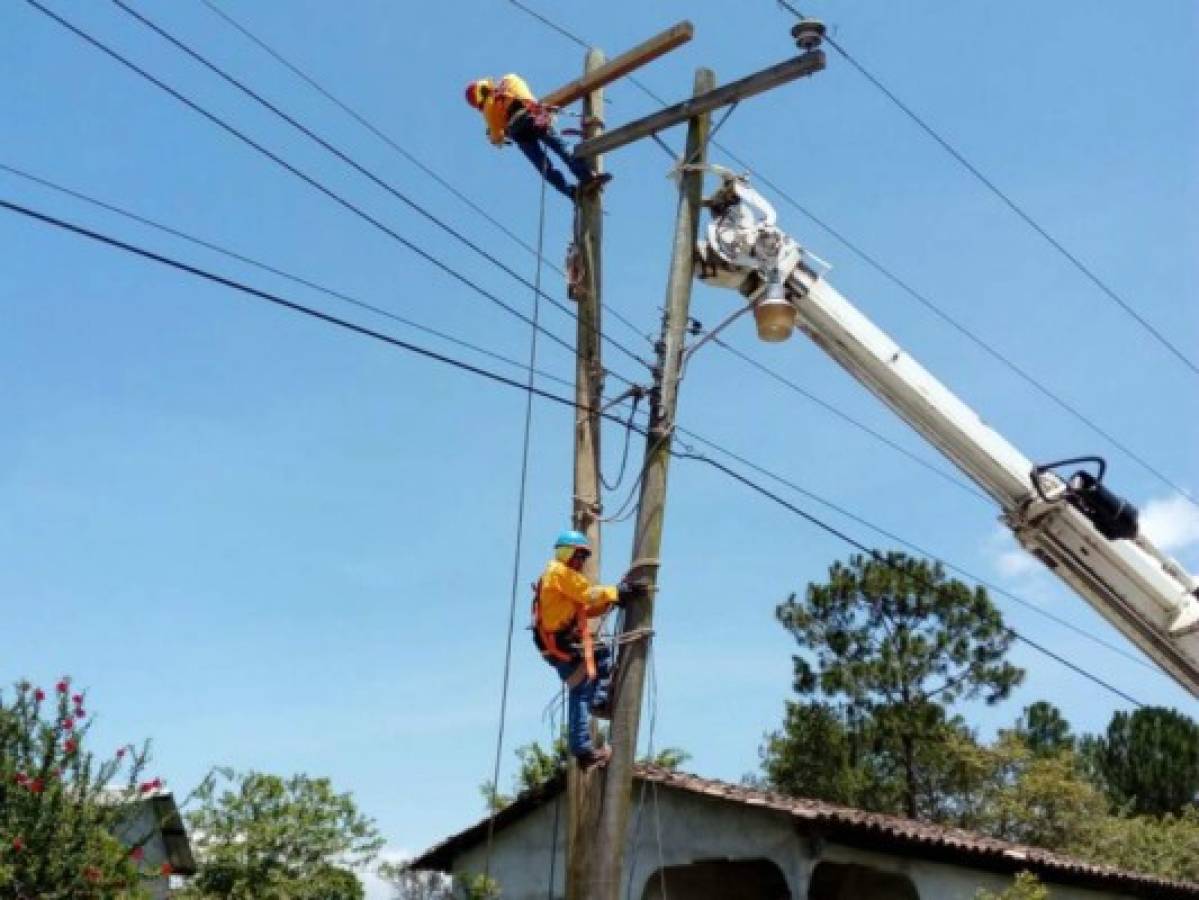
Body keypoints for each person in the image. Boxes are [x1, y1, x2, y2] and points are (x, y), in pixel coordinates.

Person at [531, 530, 626, 770]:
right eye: (578, 555)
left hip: (558, 643)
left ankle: (600, 700)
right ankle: (583, 748)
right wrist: (616, 592)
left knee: (601, 654)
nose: (581, 562)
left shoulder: (562, 578)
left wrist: (612, 601)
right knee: (581, 688)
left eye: (584, 558)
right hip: (557, 644)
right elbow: (588, 594)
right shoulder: (558, 572)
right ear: (566, 553)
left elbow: (584, 607)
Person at [464, 74, 612, 202]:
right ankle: (587, 177)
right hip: (534, 116)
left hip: (520, 133)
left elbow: (497, 137)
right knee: (562, 148)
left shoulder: (488, 109)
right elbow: (528, 97)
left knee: (545, 167)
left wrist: (497, 134)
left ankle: (571, 192)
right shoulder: (510, 80)